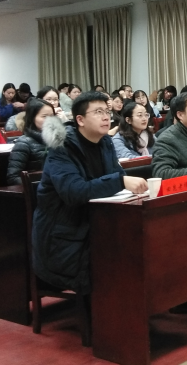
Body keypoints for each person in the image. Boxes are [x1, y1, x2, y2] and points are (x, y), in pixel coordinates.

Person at [33, 91, 147, 293]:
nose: (106, 117)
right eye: (98, 112)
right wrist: (120, 181)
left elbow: (116, 178)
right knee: (127, 259)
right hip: (64, 238)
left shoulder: (105, 142)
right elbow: (74, 192)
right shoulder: (61, 147)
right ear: (80, 119)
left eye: (107, 112)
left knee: (147, 246)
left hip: (97, 226)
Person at [7, 98, 55, 185]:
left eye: (52, 116)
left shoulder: (58, 140)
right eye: (44, 116)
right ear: (32, 118)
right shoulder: (23, 143)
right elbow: (13, 177)